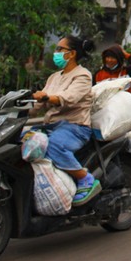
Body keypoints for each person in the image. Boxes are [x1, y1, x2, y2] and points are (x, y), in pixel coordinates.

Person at [30, 35, 100, 206]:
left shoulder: (83, 75)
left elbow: (69, 98)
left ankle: (86, 179)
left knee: (54, 145)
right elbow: (36, 106)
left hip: (75, 126)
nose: (56, 53)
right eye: (56, 49)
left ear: (72, 54)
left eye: (60, 49)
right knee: (22, 140)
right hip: (52, 125)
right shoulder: (54, 77)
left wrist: (46, 97)